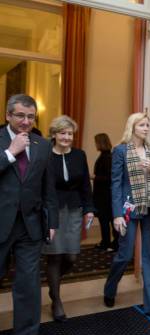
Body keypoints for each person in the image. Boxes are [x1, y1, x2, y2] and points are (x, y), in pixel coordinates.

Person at [0, 94, 58, 335]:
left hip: (30, 227)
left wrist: (52, 219)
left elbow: (49, 187)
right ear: (8, 115)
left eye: (31, 117)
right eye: (20, 116)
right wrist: (10, 152)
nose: (26, 122)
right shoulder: (3, 140)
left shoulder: (43, 145)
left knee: (28, 290)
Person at [103, 112, 150, 320]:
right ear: (133, 127)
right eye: (142, 125)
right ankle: (110, 289)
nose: (146, 128)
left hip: (149, 208)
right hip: (128, 209)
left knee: (149, 256)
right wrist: (117, 214)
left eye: (148, 125)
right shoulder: (120, 151)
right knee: (125, 254)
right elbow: (116, 183)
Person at [42, 115, 95, 322]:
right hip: (51, 209)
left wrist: (89, 208)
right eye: (62, 133)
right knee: (54, 256)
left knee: (71, 256)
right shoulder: (45, 154)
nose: (67, 137)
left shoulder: (79, 155)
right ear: (54, 134)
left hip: (74, 209)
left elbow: (85, 185)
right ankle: (56, 300)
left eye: (70, 133)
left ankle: (53, 282)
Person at [93, 133, 117, 252]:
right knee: (108, 220)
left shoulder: (107, 157)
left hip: (105, 195)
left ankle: (109, 243)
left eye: (96, 142)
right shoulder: (106, 156)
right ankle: (108, 242)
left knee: (106, 220)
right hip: (104, 194)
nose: (95, 145)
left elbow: (109, 177)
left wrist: (94, 177)